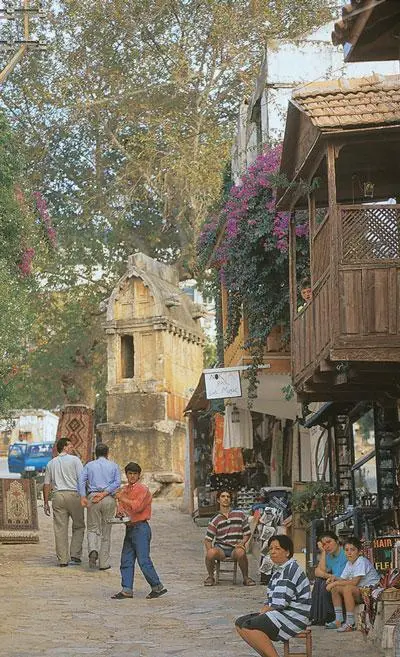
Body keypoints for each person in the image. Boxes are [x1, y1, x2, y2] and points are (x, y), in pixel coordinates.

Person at [235, 535, 311, 657]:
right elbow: (272, 597)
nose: (273, 552)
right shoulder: (279, 570)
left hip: (293, 617)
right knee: (240, 623)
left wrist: (266, 609)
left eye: (277, 548)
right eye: (271, 549)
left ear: (287, 552)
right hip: (280, 613)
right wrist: (266, 607)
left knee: (249, 626)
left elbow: (281, 602)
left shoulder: (290, 569)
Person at [111, 461, 167, 600]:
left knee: (143, 560)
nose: (132, 476)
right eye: (130, 474)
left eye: (134, 474)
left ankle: (157, 586)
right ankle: (127, 589)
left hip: (141, 527)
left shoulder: (142, 489)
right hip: (130, 527)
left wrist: (122, 498)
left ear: (139, 475)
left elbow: (137, 507)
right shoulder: (125, 489)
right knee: (126, 559)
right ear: (127, 474)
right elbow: (123, 508)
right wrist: (120, 512)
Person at [78, 442, 121, 570]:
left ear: (95, 454)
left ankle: (93, 549)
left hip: (93, 498)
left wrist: (82, 496)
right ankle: (104, 563)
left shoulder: (89, 466)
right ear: (107, 453)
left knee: (92, 528)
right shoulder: (114, 466)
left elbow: (81, 480)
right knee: (106, 531)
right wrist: (105, 493)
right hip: (108, 498)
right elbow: (117, 483)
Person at [43, 437, 85, 567]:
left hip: (57, 496)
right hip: (73, 495)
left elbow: (46, 484)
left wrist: (45, 502)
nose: (72, 447)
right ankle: (75, 555)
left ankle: (62, 559)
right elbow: (81, 480)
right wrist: (84, 496)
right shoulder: (75, 460)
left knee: (60, 528)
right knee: (79, 525)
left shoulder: (51, 463)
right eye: (70, 445)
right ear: (65, 447)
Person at [326, 536, 380, 632]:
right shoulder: (349, 563)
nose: (349, 553)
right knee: (336, 588)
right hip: (359, 590)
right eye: (346, 550)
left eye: (352, 550)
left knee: (348, 588)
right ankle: (338, 619)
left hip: (369, 592)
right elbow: (342, 579)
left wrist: (336, 583)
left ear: (359, 552)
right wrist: (333, 578)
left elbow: (354, 582)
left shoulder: (361, 561)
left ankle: (350, 623)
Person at [204, 489, 256, 587]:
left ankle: (246, 578)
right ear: (218, 500)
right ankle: (210, 577)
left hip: (235, 548)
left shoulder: (240, 515)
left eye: (228, 497)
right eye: (223, 496)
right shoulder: (215, 519)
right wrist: (210, 552)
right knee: (210, 553)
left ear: (231, 500)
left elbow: (247, 533)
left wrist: (242, 543)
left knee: (241, 552)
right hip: (221, 548)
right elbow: (208, 539)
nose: (226, 499)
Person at [311, 530, 347, 627]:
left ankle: (330, 616)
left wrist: (330, 577)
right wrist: (323, 552)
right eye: (323, 544)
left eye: (329, 542)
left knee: (323, 583)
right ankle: (318, 617)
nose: (327, 546)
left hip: (346, 581)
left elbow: (342, 576)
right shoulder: (329, 556)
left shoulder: (344, 553)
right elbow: (318, 571)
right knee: (319, 581)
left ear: (337, 541)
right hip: (336, 579)